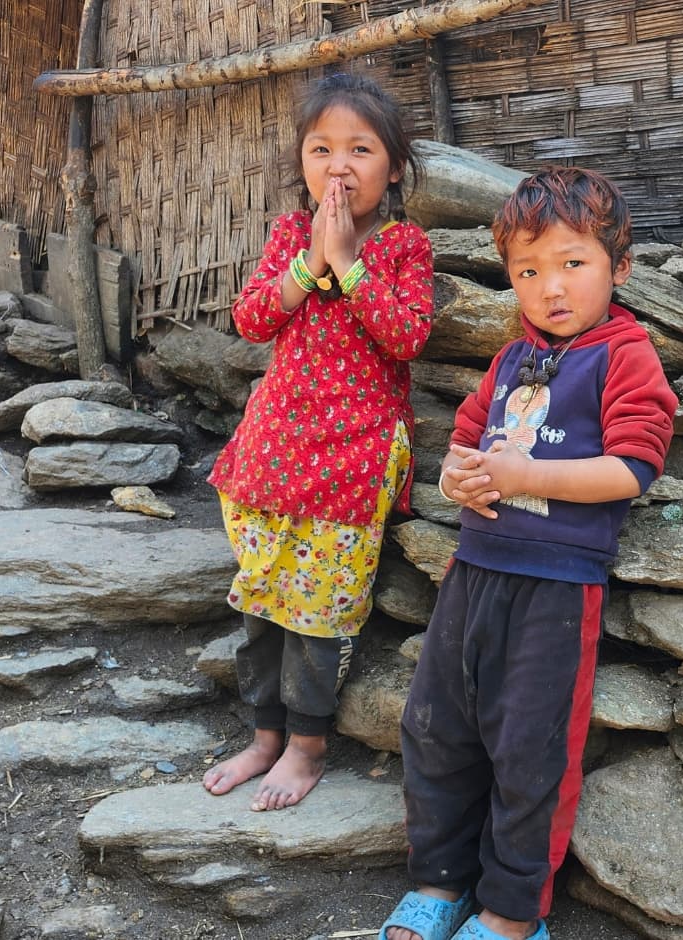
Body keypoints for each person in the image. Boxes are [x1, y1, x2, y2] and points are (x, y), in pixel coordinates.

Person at [380, 167, 677, 940]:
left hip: (554, 587)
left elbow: (633, 468)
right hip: (473, 574)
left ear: (620, 264)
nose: (551, 287)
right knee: (435, 728)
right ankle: (439, 884)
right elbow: (466, 443)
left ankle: (511, 915)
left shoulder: (624, 354)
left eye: (573, 263)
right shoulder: (513, 359)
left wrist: (525, 476)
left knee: (530, 750)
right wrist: (458, 478)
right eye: (528, 270)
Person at [202, 72, 436, 812]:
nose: (339, 166)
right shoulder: (285, 237)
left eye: (360, 149)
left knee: (320, 608)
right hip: (273, 451)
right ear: (302, 162)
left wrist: (349, 265)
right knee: (263, 596)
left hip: (353, 458)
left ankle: (305, 747)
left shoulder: (404, 247)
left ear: (393, 167)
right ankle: (263, 736)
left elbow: (407, 336)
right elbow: (250, 319)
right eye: (322, 148)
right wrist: (309, 263)